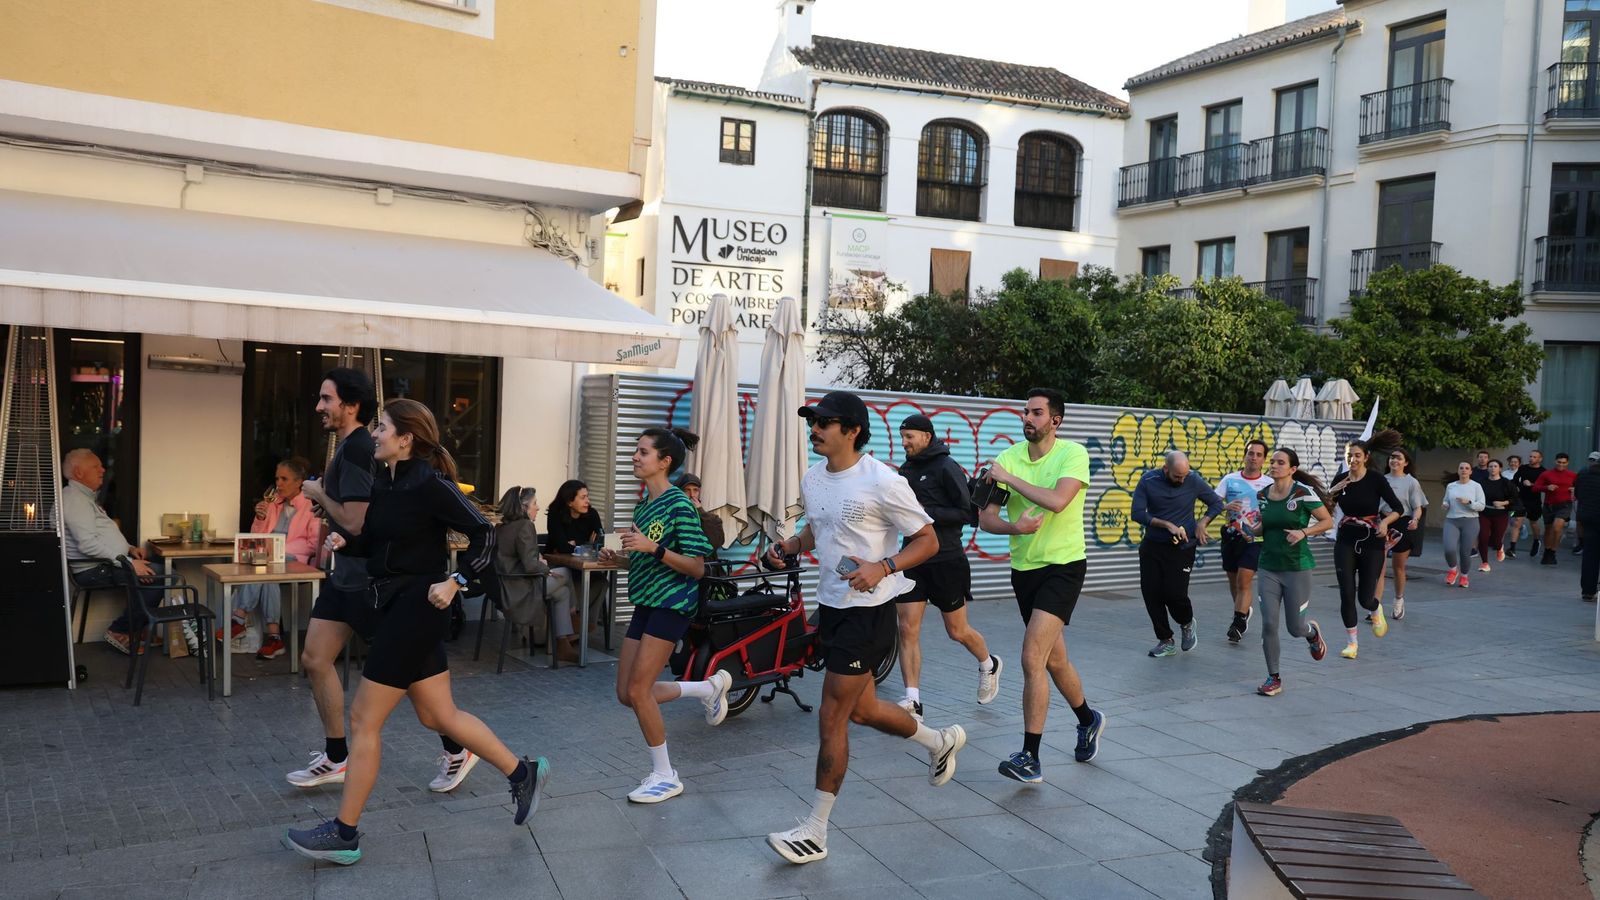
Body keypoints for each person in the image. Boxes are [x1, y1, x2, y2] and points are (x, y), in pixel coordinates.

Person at [285, 399, 549, 865]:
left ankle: (345, 833)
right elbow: (384, 538)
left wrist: (457, 581)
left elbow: (484, 534)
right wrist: (349, 540)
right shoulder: (386, 480)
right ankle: (521, 772)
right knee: (438, 716)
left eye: (382, 427)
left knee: (365, 719)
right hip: (394, 605)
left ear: (405, 439)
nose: (375, 434)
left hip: (416, 610)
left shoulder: (430, 483)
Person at [763, 391, 963, 865]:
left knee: (832, 714)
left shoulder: (884, 481)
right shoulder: (814, 477)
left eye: (825, 422)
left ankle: (815, 831)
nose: (815, 428)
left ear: (852, 430)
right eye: (813, 420)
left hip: (869, 611)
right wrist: (790, 546)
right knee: (863, 710)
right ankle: (940, 740)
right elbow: (819, 527)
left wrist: (885, 566)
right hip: (831, 605)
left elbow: (928, 540)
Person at [292, 370, 466, 794]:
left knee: (419, 692)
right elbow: (356, 521)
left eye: (326, 399)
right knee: (316, 658)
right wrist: (336, 520)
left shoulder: (358, 452)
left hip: (370, 584)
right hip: (349, 576)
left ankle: (469, 751)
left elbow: (358, 518)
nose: (319, 406)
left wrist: (318, 496)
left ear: (350, 406)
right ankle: (337, 755)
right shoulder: (362, 452)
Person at [979, 388, 1104, 784]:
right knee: (1054, 659)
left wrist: (1009, 478)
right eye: (1025, 412)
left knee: (1032, 657)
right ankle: (1088, 719)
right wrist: (1014, 526)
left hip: (1064, 566)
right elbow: (986, 519)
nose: (1028, 419)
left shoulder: (1072, 455)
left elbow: (1058, 501)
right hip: (1025, 569)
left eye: (1036, 413)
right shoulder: (1007, 457)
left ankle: (1030, 757)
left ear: (1056, 420)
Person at [601, 427, 731, 805]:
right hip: (646, 602)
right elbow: (647, 558)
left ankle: (665, 774)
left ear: (665, 461)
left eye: (643, 452)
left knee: (640, 690)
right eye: (635, 451)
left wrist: (652, 548)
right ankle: (706, 688)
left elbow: (696, 567)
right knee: (627, 693)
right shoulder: (644, 506)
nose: (635, 457)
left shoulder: (679, 505)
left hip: (672, 604)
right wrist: (622, 558)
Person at [892, 414, 1001, 717]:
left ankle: (988, 664)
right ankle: (913, 700)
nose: (904, 443)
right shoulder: (905, 470)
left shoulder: (946, 467)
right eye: (902, 437)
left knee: (957, 630)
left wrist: (925, 513)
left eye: (909, 437)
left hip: (947, 560)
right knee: (907, 627)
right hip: (912, 558)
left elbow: (968, 513)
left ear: (926, 436)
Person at [61, 448, 168, 654]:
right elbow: (87, 545)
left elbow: (100, 535)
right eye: (96, 466)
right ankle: (122, 631)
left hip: (105, 563)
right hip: (91, 570)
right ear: (79, 473)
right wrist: (128, 563)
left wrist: (130, 549)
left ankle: (138, 629)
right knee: (158, 575)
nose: (103, 470)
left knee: (162, 566)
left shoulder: (85, 498)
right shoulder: (74, 500)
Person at [220, 458, 322, 661]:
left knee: (264, 565)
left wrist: (277, 549)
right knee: (267, 573)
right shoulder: (272, 504)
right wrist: (259, 518)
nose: (279, 484)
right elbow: (256, 536)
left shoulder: (311, 506)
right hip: (269, 561)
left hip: (296, 561)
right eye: (277, 478)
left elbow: (313, 544)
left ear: (299, 481)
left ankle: (238, 617)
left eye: (284, 479)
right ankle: (274, 638)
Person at [1253, 448, 1333, 697]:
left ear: (1292, 469)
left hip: (1297, 568)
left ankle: (1311, 633)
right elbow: (1264, 527)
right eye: (1273, 461)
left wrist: (1303, 532)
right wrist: (1248, 528)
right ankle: (1273, 677)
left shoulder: (1303, 493)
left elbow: (1327, 521)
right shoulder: (1263, 495)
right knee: (1268, 623)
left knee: (1294, 628)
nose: (1274, 465)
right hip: (1268, 566)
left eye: (1280, 462)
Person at [1132, 450, 1224, 658]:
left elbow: (1216, 503)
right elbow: (1137, 513)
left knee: (1174, 593)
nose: (1182, 480)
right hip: (1153, 545)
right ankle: (1165, 640)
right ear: (1166, 469)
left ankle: (1187, 622)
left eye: (1184, 475)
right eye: (1176, 476)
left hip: (1182, 547)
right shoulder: (1148, 480)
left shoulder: (1193, 480)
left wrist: (1203, 522)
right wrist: (1167, 525)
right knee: (1151, 593)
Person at [1327, 430, 1404, 660]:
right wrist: (1332, 493)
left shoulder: (1376, 479)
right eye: (1350, 455)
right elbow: (1326, 505)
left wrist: (1385, 523)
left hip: (1372, 540)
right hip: (1346, 539)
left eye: (1357, 455)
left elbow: (1398, 508)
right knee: (1347, 594)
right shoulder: (1341, 480)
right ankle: (1352, 643)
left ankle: (1375, 607)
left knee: (1364, 597)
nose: (1353, 459)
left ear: (1366, 457)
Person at [493, 486, 576, 664]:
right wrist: (545, 567)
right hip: (522, 589)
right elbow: (530, 566)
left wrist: (540, 564)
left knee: (563, 593)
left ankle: (560, 645)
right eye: (535, 504)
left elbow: (520, 558)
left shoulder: (502, 527)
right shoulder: (525, 526)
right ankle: (574, 614)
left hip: (508, 587)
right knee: (566, 573)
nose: (538, 507)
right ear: (524, 507)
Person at [1217, 440, 1273, 643]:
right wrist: (1225, 506)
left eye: (1259, 454)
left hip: (1255, 538)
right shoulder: (1230, 479)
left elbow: (1275, 510)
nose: (1254, 458)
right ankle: (1243, 611)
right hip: (1231, 536)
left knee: (1244, 580)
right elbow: (1214, 502)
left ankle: (1238, 623)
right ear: (1244, 455)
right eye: (1251, 453)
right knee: (1234, 583)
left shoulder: (1269, 483)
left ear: (1264, 459)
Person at [545, 479, 607, 637]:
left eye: (588, 497)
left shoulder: (591, 514)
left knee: (601, 581)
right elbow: (561, 545)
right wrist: (585, 544)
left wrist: (576, 544)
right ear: (569, 501)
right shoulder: (555, 513)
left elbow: (600, 541)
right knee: (567, 573)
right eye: (583, 497)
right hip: (558, 567)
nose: (588, 501)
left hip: (581, 566)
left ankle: (586, 624)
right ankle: (574, 621)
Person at [1375, 448, 1427, 621]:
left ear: (1406, 462)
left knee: (1398, 566)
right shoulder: (1381, 480)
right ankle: (1375, 607)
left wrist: (1415, 520)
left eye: (1399, 458)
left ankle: (1398, 600)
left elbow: (1417, 507)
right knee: (1379, 568)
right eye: (1392, 457)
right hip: (1383, 522)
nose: (1394, 460)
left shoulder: (1411, 482)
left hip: (1402, 523)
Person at [1442, 462, 1486, 588]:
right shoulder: (1451, 486)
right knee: (1449, 548)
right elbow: (1446, 499)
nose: (1464, 470)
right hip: (1452, 520)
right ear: (1458, 471)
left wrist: (1469, 503)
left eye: (1467, 468)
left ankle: (1464, 576)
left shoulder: (1476, 486)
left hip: (1470, 521)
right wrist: (1445, 504)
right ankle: (1453, 570)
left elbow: (1481, 506)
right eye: (1461, 468)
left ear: (1471, 472)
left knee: (1465, 551)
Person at [1533, 453, 1579, 566]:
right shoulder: (1546, 474)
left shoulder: (1573, 475)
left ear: (1567, 463)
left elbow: (1580, 490)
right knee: (1548, 530)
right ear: (1555, 461)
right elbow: (1535, 488)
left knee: (1557, 527)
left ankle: (1553, 551)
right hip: (1549, 505)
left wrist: (1575, 490)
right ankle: (1547, 552)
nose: (1561, 465)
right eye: (1559, 462)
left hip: (1565, 505)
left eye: (1564, 463)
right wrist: (1547, 487)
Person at [1476, 459, 1517, 572]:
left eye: (1495, 466)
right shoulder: (1481, 482)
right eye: (1490, 466)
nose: (1493, 468)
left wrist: (1503, 503)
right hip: (1484, 513)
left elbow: (1515, 498)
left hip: (1500, 514)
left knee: (1497, 539)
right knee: (1483, 537)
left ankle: (1499, 548)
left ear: (1500, 469)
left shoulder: (1506, 483)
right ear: (1487, 469)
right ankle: (1485, 563)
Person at [678, 473, 726, 549]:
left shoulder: (713, 519)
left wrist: (701, 512)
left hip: (706, 560)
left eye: (695, 490)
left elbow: (716, 543)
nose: (692, 495)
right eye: (687, 490)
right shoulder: (672, 516)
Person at [1576, 451, 1600, 603]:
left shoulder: (1583, 473)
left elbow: (1578, 493)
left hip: (1588, 517)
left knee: (1590, 555)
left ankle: (1588, 590)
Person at [1513, 450, 1547, 558]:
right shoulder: (1523, 468)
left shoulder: (1543, 471)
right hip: (1521, 499)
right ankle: (1512, 547)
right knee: (1517, 521)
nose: (1531, 458)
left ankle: (1536, 541)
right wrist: (1519, 485)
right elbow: (1515, 479)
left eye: (1534, 457)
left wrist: (1532, 484)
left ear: (1540, 459)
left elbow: (1544, 487)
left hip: (1534, 500)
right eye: (1530, 456)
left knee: (1533, 523)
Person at [1504, 455, 1526, 559]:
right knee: (1511, 521)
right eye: (1511, 462)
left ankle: (1512, 548)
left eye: (1515, 462)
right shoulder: (1504, 474)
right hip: (1507, 502)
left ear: (1519, 463)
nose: (1513, 463)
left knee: (1514, 520)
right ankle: (1521, 527)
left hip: (1518, 502)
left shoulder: (1522, 474)